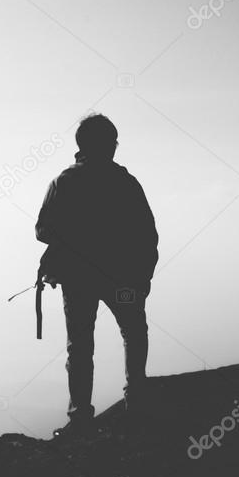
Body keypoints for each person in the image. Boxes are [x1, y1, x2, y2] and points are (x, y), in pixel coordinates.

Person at [35, 114, 158, 439]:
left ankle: (80, 419)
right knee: (133, 331)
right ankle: (137, 403)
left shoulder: (65, 182)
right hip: (123, 278)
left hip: (78, 279)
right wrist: (143, 278)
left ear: (81, 145)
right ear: (111, 145)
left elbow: (43, 229)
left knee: (80, 346)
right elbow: (147, 234)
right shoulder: (126, 183)